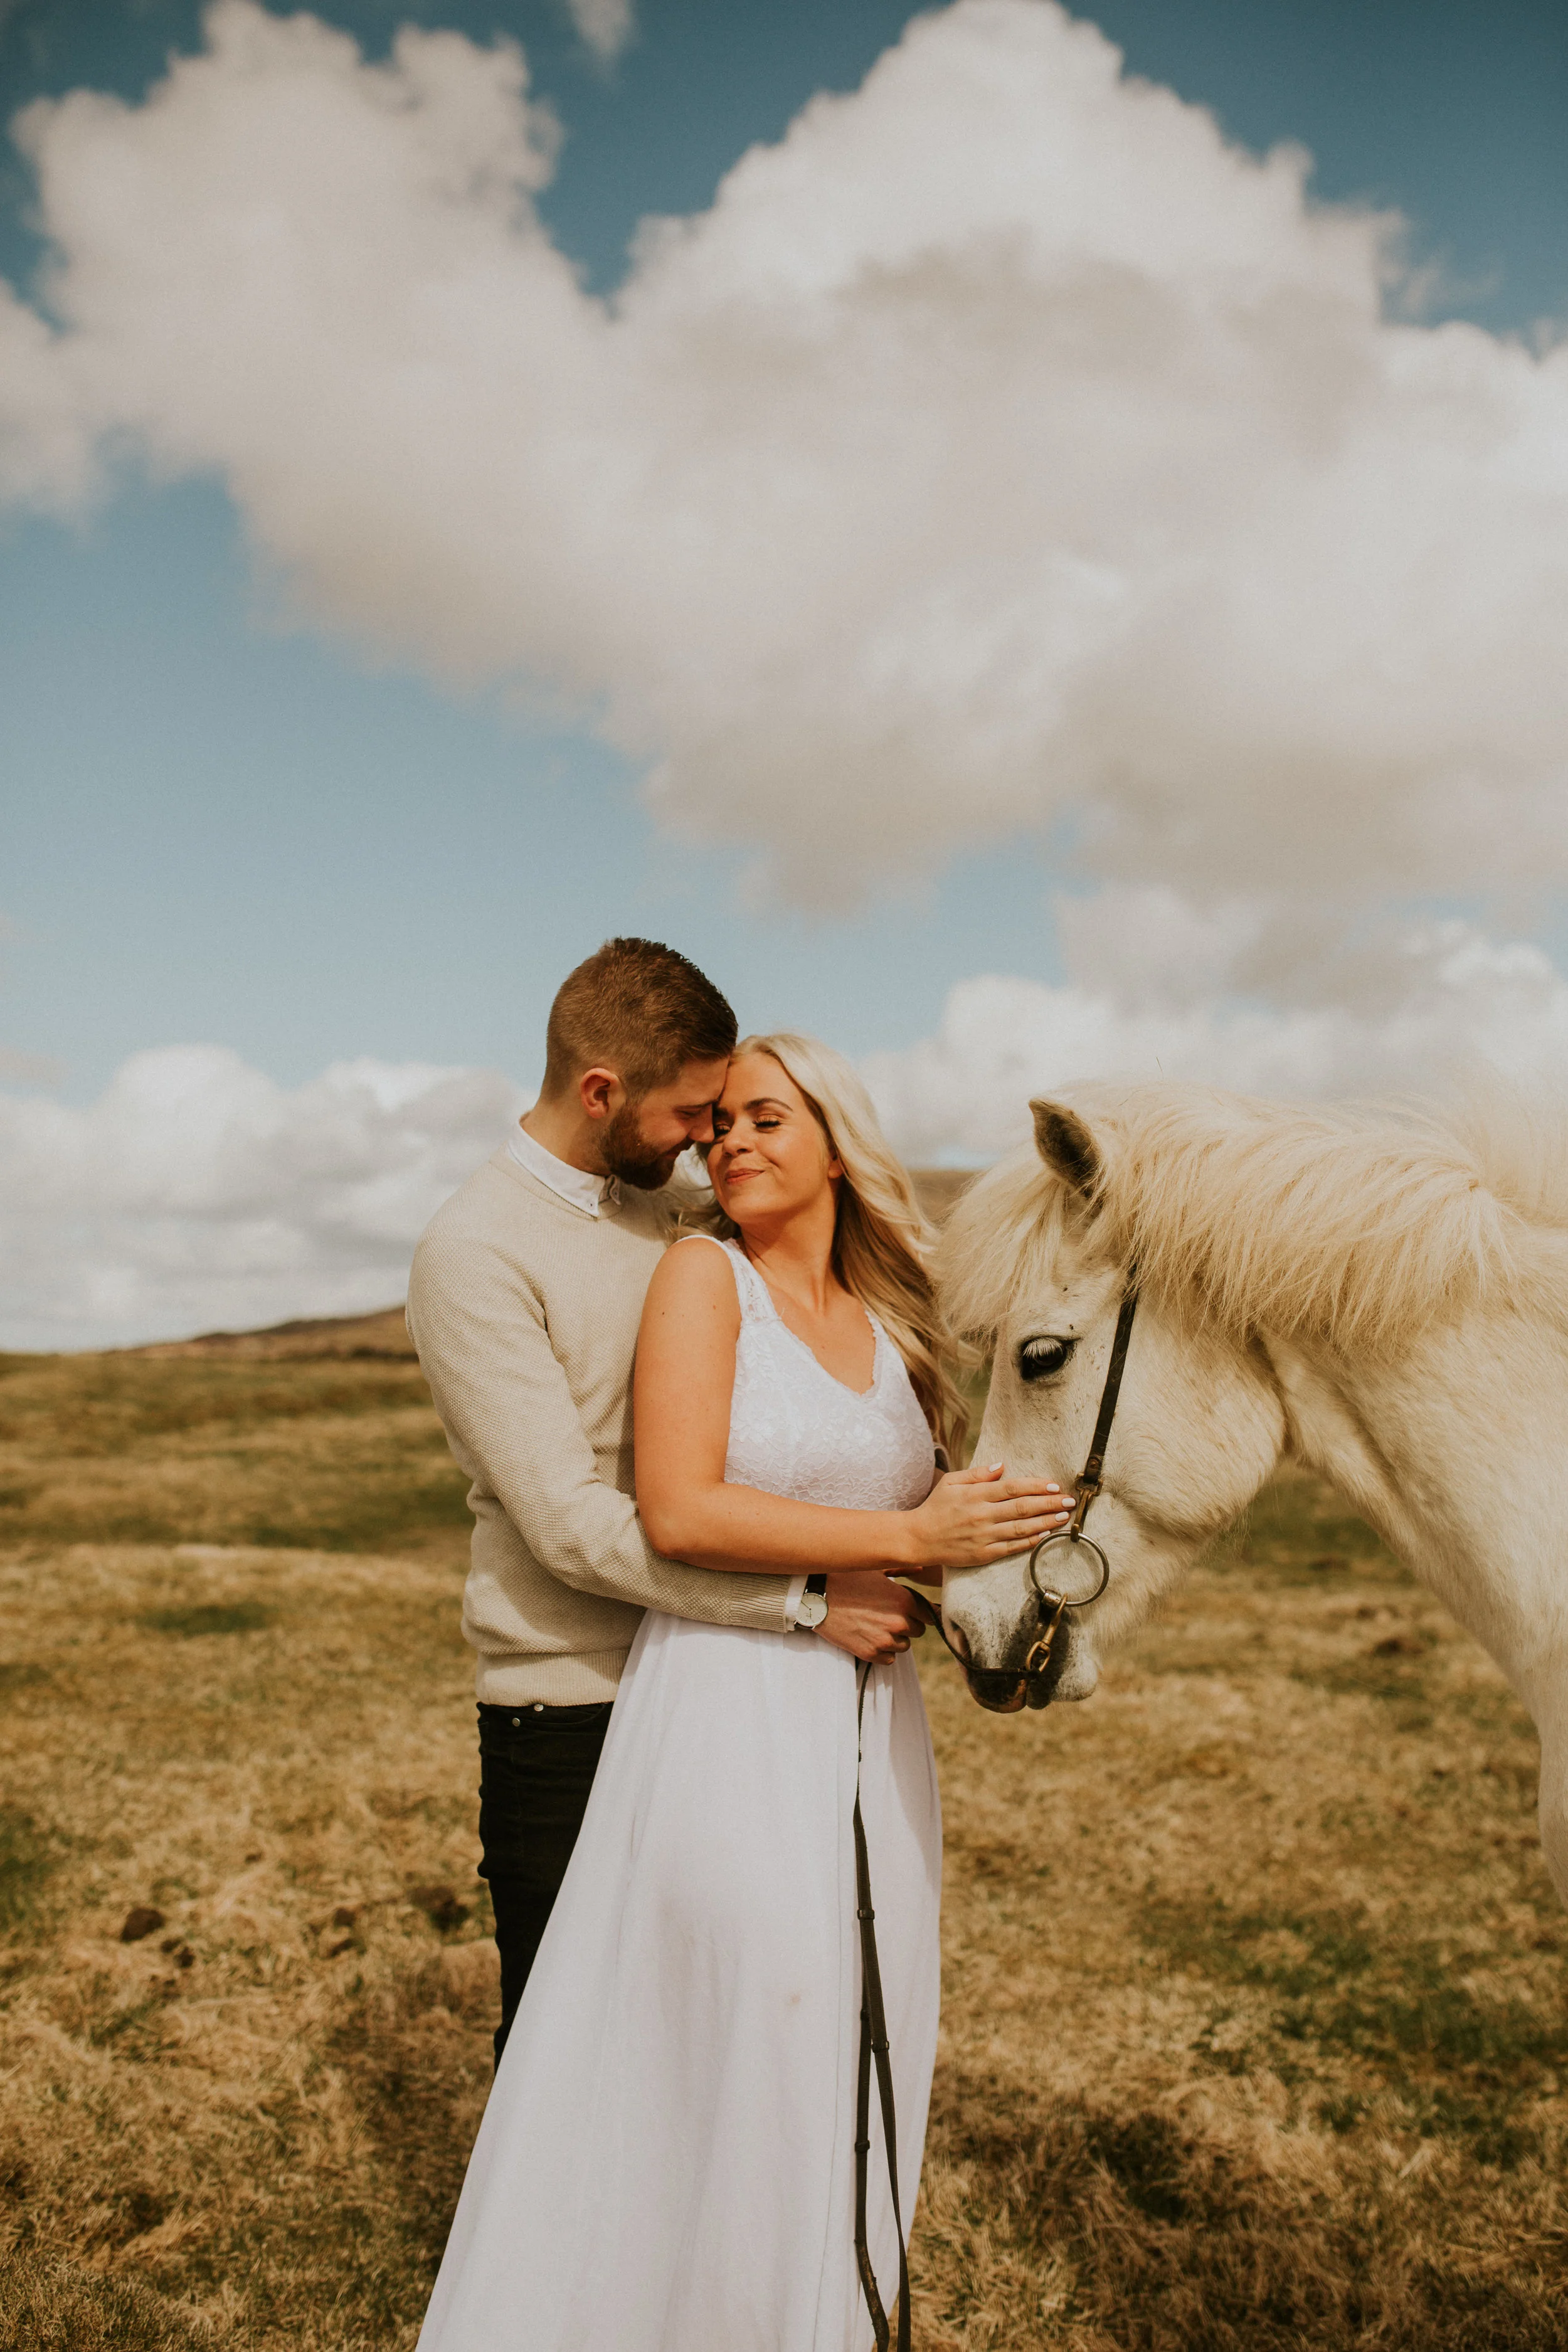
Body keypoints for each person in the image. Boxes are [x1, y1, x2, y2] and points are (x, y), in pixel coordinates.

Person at [416, 1032, 1070, 2352]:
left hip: (867, 1729)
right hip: (721, 1703)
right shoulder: (698, 1276)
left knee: (840, 2027)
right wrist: (893, 1550)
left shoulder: (897, 1326)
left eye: (765, 1117)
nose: (731, 1143)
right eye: (720, 1126)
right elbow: (679, 1505)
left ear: (838, 1138)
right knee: (751, 2021)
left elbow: (946, 1505)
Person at [408, 940, 933, 2063]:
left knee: (705, 2045)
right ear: (603, 1091)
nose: (711, 1140)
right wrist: (803, 1598)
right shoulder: (473, 1252)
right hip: (574, 1701)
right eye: (694, 1113)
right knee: (567, 2052)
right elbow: (568, 1524)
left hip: (714, 1693)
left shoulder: (669, 1208)